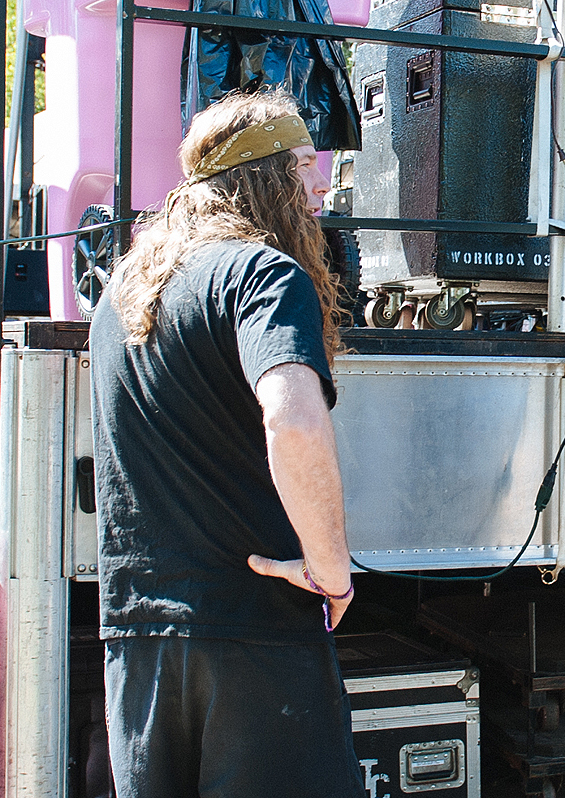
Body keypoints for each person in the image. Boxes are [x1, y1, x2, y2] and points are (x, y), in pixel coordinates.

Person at [89, 90, 362, 798]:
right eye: (305, 163)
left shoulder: (122, 295)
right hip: (255, 631)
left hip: (139, 635)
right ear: (266, 175)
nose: (322, 183)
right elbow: (295, 420)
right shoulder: (263, 275)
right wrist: (331, 568)